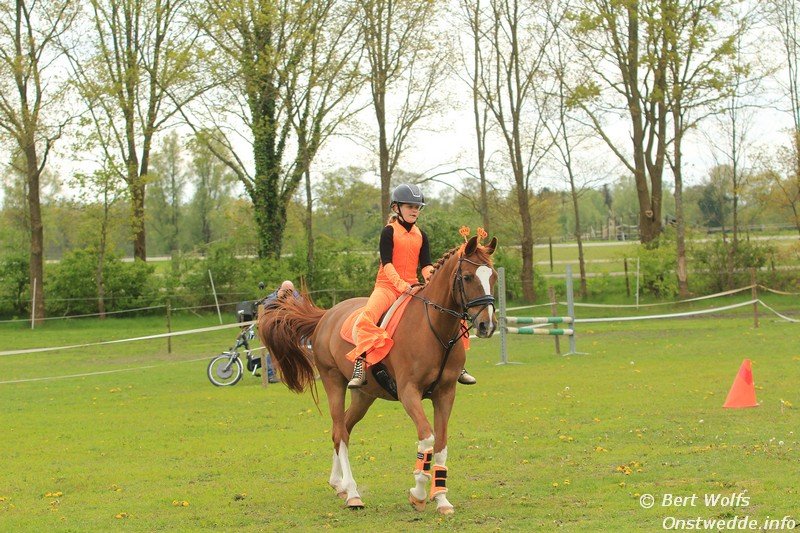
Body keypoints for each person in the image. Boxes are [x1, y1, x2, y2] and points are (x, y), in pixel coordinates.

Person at [347, 184, 477, 388]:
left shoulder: (421, 235)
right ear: (396, 208)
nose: (415, 210)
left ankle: (457, 366)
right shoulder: (388, 232)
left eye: (417, 207)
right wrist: (399, 284)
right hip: (387, 287)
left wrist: (432, 280)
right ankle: (360, 364)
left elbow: (425, 265)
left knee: (453, 314)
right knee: (367, 318)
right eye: (410, 206)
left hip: (413, 286)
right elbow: (387, 263)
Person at [258, 280, 300, 383]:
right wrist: (278, 298)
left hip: (291, 329)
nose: (288, 293)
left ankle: (293, 373)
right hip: (275, 328)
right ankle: (271, 374)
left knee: (294, 349)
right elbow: (265, 306)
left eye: (290, 291)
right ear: (281, 288)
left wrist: (294, 302)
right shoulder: (273, 296)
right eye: (286, 291)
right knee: (273, 350)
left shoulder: (296, 296)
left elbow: (303, 304)